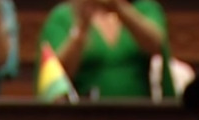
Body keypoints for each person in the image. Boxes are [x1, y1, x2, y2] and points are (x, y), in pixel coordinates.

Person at [37, 0, 171, 98]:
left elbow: (157, 45)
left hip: (140, 118)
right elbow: (57, 76)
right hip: (85, 119)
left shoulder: (144, 8)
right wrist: (81, 30)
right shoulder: (62, 18)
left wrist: (119, 8)